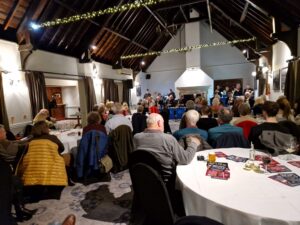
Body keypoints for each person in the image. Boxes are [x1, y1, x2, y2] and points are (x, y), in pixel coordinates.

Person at [134, 113, 200, 175]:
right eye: (163, 123)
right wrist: (194, 143)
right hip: (166, 179)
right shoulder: (168, 139)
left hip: (143, 177)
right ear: (159, 123)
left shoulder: (136, 137)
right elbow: (185, 159)